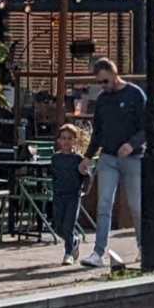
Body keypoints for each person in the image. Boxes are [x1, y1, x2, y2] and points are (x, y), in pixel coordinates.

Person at [79, 58, 146, 267]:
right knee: (104, 203)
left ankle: (144, 247)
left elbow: (147, 127)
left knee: (136, 205)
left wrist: (132, 144)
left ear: (114, 74)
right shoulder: (102, 100)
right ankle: (98, 252)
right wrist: (88, 156)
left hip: (133, 158)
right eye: (99, 83)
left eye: (105, 81)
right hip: (108, 157)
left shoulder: (135, 94)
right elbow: (97, 132)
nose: (103, 86)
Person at [49, 123, 86, 264]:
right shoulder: (55, 158)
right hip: (58, 196)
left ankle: (68, 253)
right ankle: (74, 241)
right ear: (58, 141)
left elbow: (86, 175)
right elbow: (53, 175)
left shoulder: (77, 158)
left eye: (69, 138)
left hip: (73, 196)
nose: (66, 141)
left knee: (68, 225)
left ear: (75, 141)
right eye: (63, 138)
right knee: (58, 227)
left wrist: (83, 186)